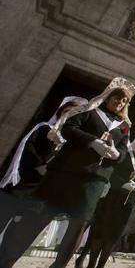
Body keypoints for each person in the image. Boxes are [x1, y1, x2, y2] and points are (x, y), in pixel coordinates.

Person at [0, 77, 135, 268]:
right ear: (107, 97)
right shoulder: (89, 111)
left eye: (124, 101)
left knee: (78, 225)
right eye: (117, 98)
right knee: (39, 219)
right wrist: (92, 141)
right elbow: (69, 128)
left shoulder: (124, 127)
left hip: (93, 181)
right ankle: (6, 260)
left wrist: (115, 154)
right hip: (66, 173)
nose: (119, 102)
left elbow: (122, 154)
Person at [0, 96, 87, 233]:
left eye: (74, 114)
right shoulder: (44, 128)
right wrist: (41, 166)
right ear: (60, 111)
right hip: (21, 185)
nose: (68, 116)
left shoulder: (74, 143)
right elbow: (27, 148)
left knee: (20, 235)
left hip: (41, 194)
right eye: (67, 112)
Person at [75, 127, 135, 268]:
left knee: (113, 235)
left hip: (127, 203)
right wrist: (122, 184)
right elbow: (112, 173)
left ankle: (100, 265)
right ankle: (89, 263)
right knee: (100, 232)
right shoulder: (125, 156)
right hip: (112, 198)